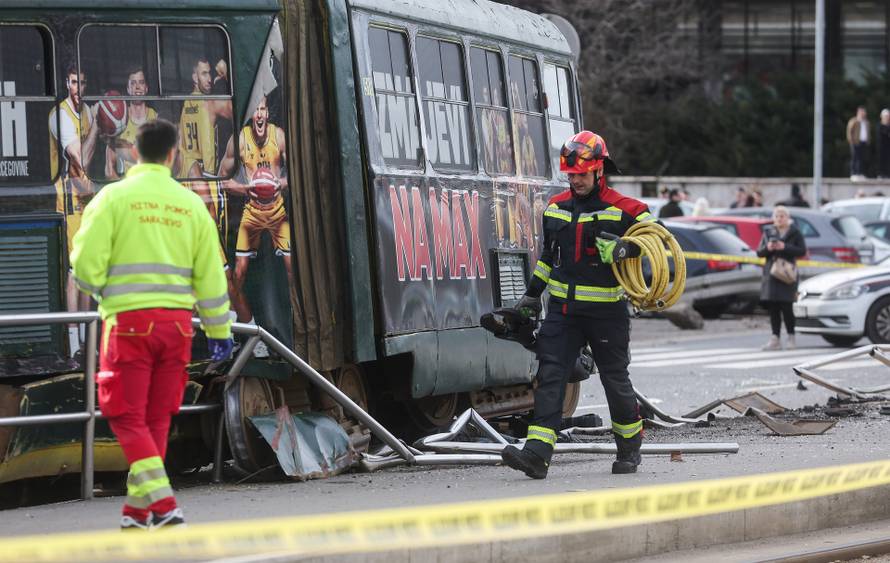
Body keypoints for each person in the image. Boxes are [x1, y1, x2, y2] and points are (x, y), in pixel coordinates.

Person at [70, 119, 233, 530]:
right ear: (173, 155)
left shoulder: (113, 199)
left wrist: (95, 284)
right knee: (158, 417)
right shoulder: (190, 205)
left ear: (135, 153)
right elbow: (211, 277)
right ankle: (138, 511)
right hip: (177, 328)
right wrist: (218, 332)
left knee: (123, 412)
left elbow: (85, 267)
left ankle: (161, 501)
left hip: (128, 325)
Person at [502, 131, 649, 479]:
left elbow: (658, 240)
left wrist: (626, 249)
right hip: (563, 313)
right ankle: (537, 454)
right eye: (571, 176)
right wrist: (531, 296)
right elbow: (547, 260)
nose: (576, 181)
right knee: (550, 375)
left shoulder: (626, 210)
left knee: (615, 379)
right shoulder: (555, 209)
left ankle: (629, 449)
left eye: (582, 175)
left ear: (600, 171)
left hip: (607, 314)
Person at [219, 96, 293, 325]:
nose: (259, 115)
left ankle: (296, 323)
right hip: (252, 211)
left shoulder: (278, 136)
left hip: (277, 211)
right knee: (239, 272)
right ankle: (241, 327)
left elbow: (297, 174)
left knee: (293, 271)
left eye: (263, 110)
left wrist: (277, 184)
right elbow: (222, 180)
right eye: (256, 111)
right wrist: (245, 188)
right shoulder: (239, 139)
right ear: (251, 115)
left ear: (267, 113)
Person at [49, 65, 101, 354]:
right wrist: (95, 127)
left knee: (86, 270)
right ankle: (72, 344)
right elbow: (80, 159)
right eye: (73, 82)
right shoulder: (61, 115)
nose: (78, 88)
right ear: (65, 84)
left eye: (82, 82)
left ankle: (85, 340)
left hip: (88, 195)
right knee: (74, 271)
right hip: (68, 198)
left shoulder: (86, 111)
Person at [756, 206, 806, 351]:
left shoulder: (795, 232)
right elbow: (759, 252)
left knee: (787, 306)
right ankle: (775, 338)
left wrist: (784, 247)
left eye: (782, 216)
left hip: (787, 274)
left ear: (787, 217)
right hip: (771, 274)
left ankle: (791, 337)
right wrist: (769, 248)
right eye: (777, 216)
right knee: (773, 307)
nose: (779, 219)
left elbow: (801, 251)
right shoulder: (768, 231)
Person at [105, 67, 158, 179]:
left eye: (141, 82)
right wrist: (124, 190)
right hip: (129, 190)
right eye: (133, 83)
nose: (137, 87)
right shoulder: (119, 120)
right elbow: (109, 170)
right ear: (128, 89)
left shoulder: (156, 118)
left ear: (146, 88)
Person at [847, 106, 871, 180]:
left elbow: (867, 132)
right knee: (855, 158)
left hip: (863, 142)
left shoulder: (866, 122)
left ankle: (860, 173)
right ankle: (853, 173)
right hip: (855, 142)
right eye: (862, 112)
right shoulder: (854, 121)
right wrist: (851, 140)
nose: (863, 114)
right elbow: (849, 131)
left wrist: (868, 140)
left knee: (861, 158)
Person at [878, 109, 890, 179]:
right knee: (881, 161)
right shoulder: (880, 125)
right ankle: (881, 174)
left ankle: (887, 174)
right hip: (881, 147)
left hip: (888, 147)